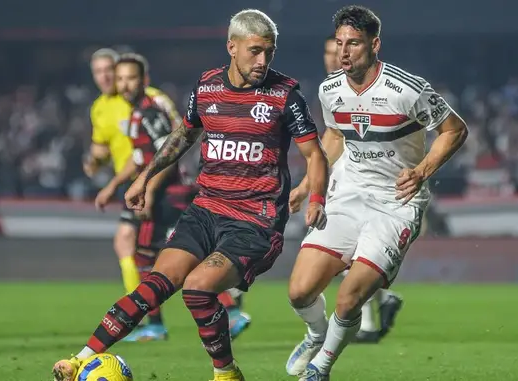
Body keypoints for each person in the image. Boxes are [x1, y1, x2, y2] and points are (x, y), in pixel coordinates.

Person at [52, 9, 329, 381]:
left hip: (255, 222)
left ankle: (226, 373)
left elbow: (316, 155)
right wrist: (145, 178)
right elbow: (181, 137)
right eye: (255, 51)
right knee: (154, 282)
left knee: (197, 289)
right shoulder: (208, 88)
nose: (263, 61)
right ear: (232, 46)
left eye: (270, 52)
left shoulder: (285, 96)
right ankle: (81, 358)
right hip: (205, 209)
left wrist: (315, 200)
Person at [285, 5, 468, 380]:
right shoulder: (330, 89)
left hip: (395, 203)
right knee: (299, 292)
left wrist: (421, 171)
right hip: (349, 192)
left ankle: (321, 367)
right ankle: (316, 335)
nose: (344, 52)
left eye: (353, 43)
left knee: (349, 298)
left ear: (375, 44)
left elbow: (454, 129)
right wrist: (308, 184)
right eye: (340, 43)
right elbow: (334, 136)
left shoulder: (406, 89)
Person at [85, 48, 251, 341]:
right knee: (163, 255)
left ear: (144, 79)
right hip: (165, 192)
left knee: (156, 256)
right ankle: (223, 309)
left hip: (169, 193)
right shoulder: (138, 111)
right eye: (120, 79)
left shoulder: (150, 111)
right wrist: (113, 185)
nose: (123, 85)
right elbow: (141, 157)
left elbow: (167, 155)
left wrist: (148, 191)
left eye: (130, 79)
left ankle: (162, 324)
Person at [323, 33, 404, 344]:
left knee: (354, 251)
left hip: (359, 172)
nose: (334, 57)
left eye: (339, 50)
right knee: (344, 254)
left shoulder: (368, 85)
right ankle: (382, 303)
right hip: (336, 172)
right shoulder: (330, 90)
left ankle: (368, 323)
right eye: (330, 52)